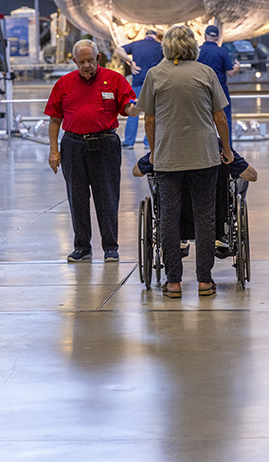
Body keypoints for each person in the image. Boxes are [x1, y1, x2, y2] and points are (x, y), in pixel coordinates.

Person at [135, 24, 233, 298]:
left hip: (168, 158)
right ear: (193, 46)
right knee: (205, 218)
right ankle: (204, 280)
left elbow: (150, 119)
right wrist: (226, 150)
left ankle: (173, 282)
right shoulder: (205, 73)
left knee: (169, 218)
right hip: (203, 156)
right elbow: (220, 117)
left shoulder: (154, 75)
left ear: (166, 47)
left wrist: (154, 152)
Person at [45, 39, 136, 263]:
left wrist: (137, 107)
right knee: (77, 198)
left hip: (104, 144)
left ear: (98, 59)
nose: (86, 65)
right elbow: (55, 119)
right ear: (75, 61)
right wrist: (54, 150)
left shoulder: (114, 79)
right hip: (73, 146)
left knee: (107, 197)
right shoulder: (64, 84)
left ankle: (111, 247)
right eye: (82, 62)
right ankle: (82, 247)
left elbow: (128, 105)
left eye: (90, 61)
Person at [116, 30, 163, 148]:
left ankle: (129, 142)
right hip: (153, 83)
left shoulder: (136, 44)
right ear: (156, 37)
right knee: (152, 113)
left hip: (137, 82)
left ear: (145, 36)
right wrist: (159, 66)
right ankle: (149, 143)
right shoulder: (159, 46)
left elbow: (119, 49)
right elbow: (170, 56)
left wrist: (130, 62)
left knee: (133, 111)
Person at [197, 25, 240, 137]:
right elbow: (230, 73)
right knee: (224, 119)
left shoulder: (198, 51)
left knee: (202, 120)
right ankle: (227, 150)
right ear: (217, 37)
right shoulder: (222, 51)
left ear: (205, 36)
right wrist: (237, 69)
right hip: (220, 89)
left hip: (201, 89)